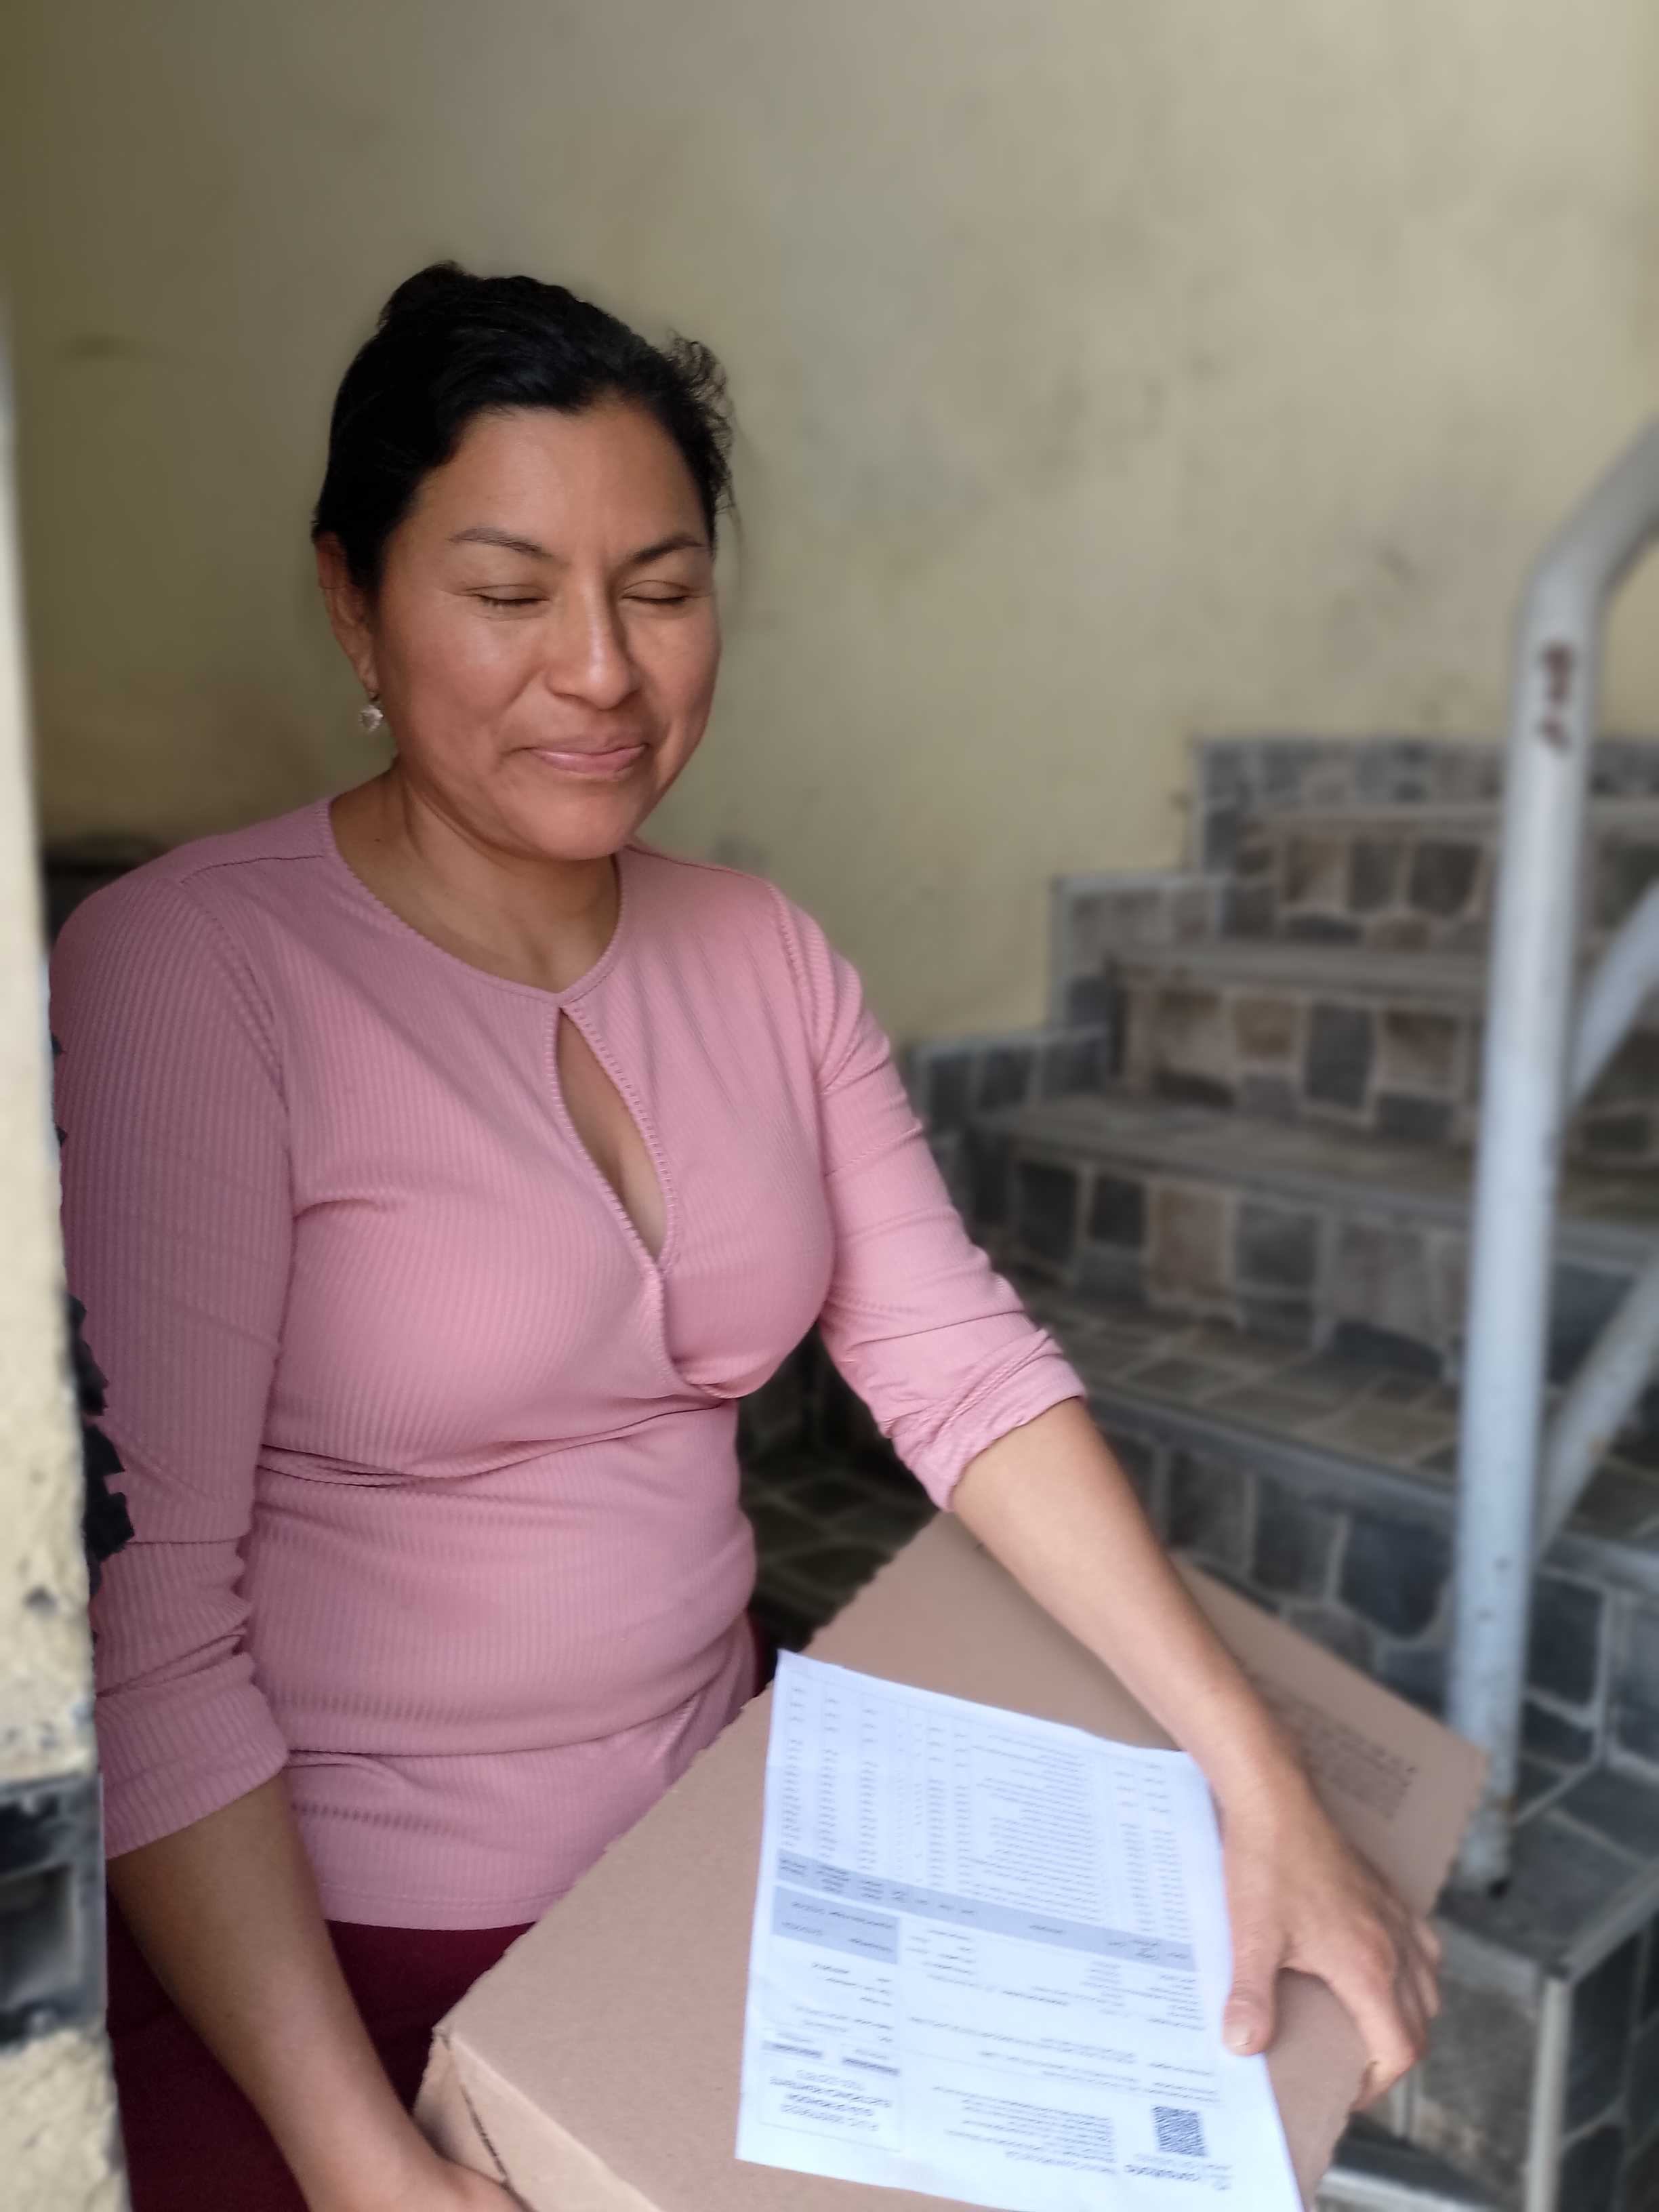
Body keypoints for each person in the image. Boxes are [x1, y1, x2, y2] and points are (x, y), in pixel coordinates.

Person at [53, 264, 1439, 2212]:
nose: (601, 672)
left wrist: (1256, 1779)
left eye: (662, 588)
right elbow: (149, 1625)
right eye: (509, 593)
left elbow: (960, 1366)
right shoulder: (190, 977)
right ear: (354, 602)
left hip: (736, 1866)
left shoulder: (763, 953)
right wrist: (362, 2161)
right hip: (335, 1960)